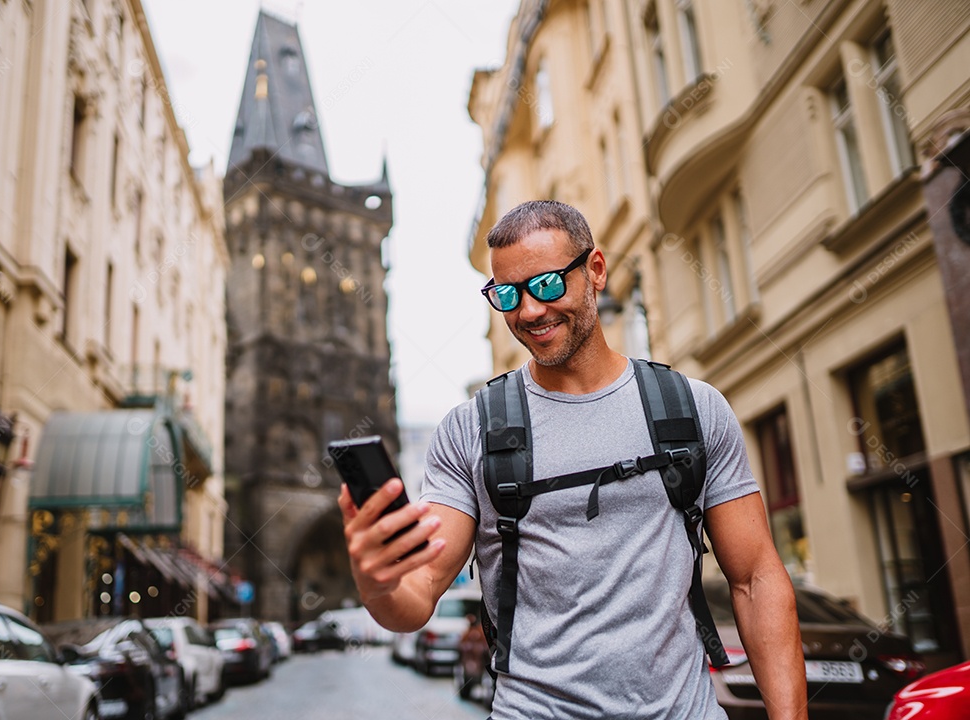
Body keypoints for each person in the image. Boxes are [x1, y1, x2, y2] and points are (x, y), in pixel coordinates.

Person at [340, 200, 807, 719]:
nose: (529, 311)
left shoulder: (691, 409)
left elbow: (755, 579)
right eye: (508, 294)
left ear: (596, 270)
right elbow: (418, 594)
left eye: (546, 285)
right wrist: (376, 580)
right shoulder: (470, 431)